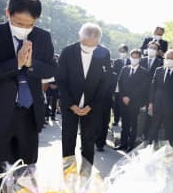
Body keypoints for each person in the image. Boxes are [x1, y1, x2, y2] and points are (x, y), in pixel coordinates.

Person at [0, 0, 56, 193]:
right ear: (8, 13)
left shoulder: (43, 36)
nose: (24, 29)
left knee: (26, 171)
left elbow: (51, 70)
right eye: (19, 23)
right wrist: (16, 63)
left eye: (29, 24)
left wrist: (31, 64)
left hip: (28, 115)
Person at [58, 23, 111, 171]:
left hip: (92, 106)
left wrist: (91, 105)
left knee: (88, 141)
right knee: (68, 139)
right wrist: (70, 104)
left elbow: (105, 83)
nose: (88, 49)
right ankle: (68, 173)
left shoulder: (104, 53)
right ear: (79, 37)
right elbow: (61, 79)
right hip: (70, 105)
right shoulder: (68, 52)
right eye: (85, 45)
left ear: (98, 41)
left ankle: (86, 175)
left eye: (92, 46)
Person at [147, 50, 173, 146]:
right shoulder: (158, 70)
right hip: (157, 105)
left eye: (172, 58)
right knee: (154, 128)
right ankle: (152, 148)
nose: (169, 60)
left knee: (169, 131)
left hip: (171, 108)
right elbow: (153, 88)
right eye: (167, 58)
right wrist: (151, 103)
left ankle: (168, 153)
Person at [115, 49, 149, 152]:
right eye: (132, 57)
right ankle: (123, 143)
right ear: (130, 57)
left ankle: (131, 145)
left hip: (134, 102)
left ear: (140, 59)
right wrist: (123, 96)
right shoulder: (124, 69)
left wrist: (130, 97)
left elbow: (142, 87)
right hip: (123, 101)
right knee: (124, 123)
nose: (134, 59)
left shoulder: (144, 71)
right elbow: (120, 83)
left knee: (133, 124)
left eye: (136, 57)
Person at [140, 41, 163, 140]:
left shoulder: (160, 62)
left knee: (150, 114)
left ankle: (147, 135)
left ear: (157, 51)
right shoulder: (141, 60)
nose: (152, 50)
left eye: (154, 48)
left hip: (153, 93)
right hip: (139, 92)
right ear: (147, 48)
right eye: (151, 47)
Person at [112, 44, 130, 126]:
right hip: (117, 87)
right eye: (121, 51)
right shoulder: (117, 61)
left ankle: (124, 121)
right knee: (116, 105)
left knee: (125, 105)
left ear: (127, 52)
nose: (122, 53)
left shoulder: (130, 61)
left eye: (124, 51)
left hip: (127, 87)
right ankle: (116, 120)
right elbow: (114, 73)